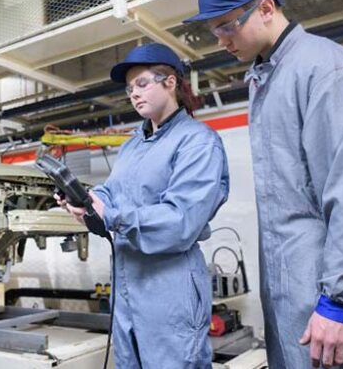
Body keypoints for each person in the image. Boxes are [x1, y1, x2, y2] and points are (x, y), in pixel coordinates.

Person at [184, 0, 343, 367]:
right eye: (214, 30)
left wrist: (341, 298)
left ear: (266, 8)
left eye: (227, 26)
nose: (221, 41)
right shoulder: (268, 79)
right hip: (295, 308)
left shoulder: (328, 70)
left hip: (333, 310)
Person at [58, 43, 229, 368]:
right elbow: (113, 192)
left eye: (142, 83)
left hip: (170, 291)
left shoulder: (197, 141)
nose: (134, 94)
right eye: (129, 88)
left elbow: (181, 220)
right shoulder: (133, 145)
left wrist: (113, 216)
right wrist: (87, 201)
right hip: (127, 288)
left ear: (170, 82)